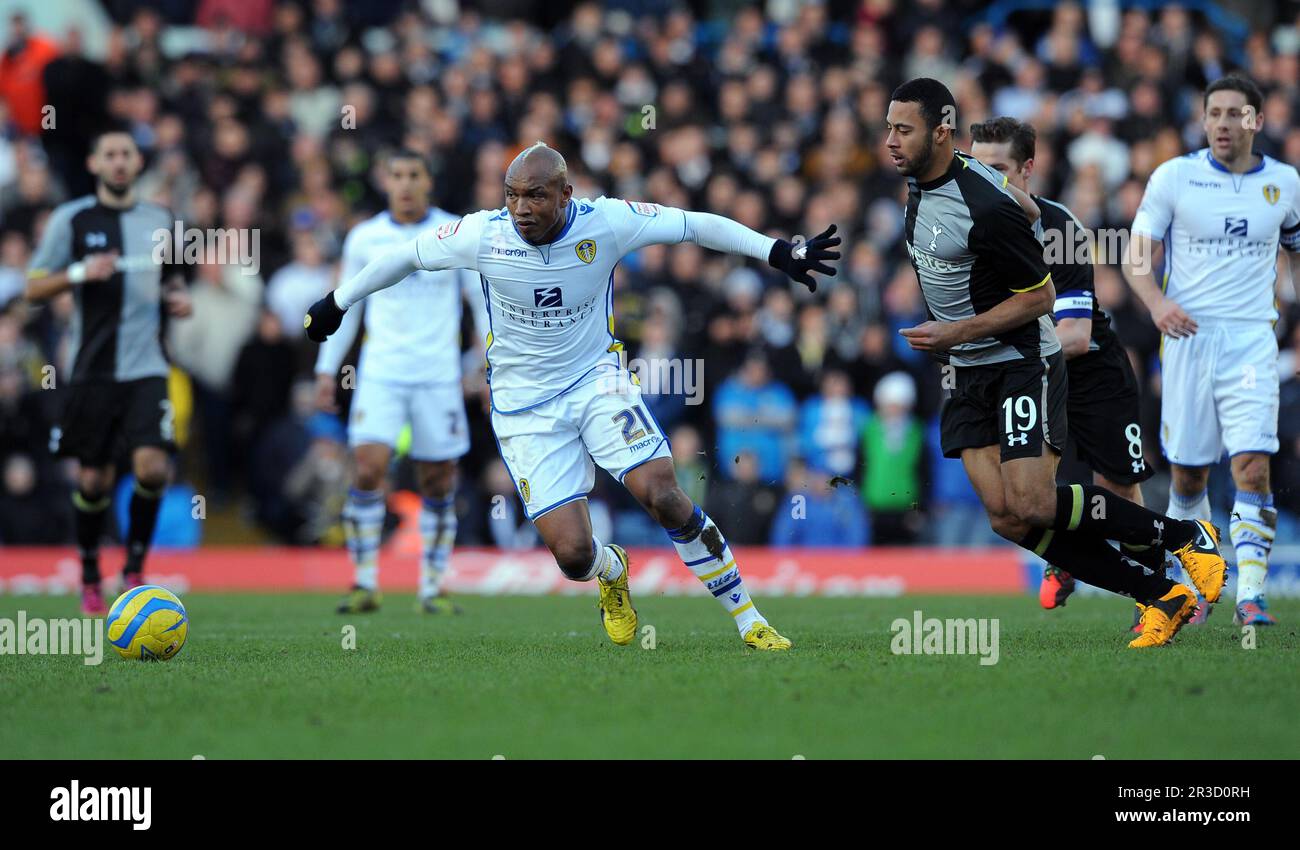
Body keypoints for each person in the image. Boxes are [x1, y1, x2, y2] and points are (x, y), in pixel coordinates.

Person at [306, 142, 839, 650]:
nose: (520, 208)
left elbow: (693, 224)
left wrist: (776, 251)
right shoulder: (482, 234)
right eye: (512, 194)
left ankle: (750, 619)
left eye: (535, 195)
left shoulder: (606, 221)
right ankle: (612, 570)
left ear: (566, 194)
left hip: (596, 384)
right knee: (572, 555)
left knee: (663, 495)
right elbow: (404, 257)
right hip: (523, 408)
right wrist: (338, 301)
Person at [885, 78, 1225, 649]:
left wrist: (957, 330)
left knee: (1043, 500)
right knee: (1006, 516)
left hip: (1027, 361)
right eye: (889, 128)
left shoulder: (996, 210)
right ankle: (1162, 596)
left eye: (903, 129)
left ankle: (1185, 535)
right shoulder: (923, 186)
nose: (890, 141)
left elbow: (1041, 301)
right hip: (968, 371)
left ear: (939, 132)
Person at [970, 116, 1160, 631]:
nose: (985, 182)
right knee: (1031, 493)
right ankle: (1077, 559)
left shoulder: (1060, 230)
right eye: (976, 169)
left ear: (1028, 168)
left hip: (1091, 372)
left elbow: (1074, 336)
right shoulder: (968, 230)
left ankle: (1163, 576)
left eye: (999, 170)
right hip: (1030, 373)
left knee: (1117, 488)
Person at [1123, 75, 1300, 627]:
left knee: (1252, 463)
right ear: (1203, 121)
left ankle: (1251, 592)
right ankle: (1191, 584)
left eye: (1235, 114)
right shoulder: (1176, 177)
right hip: (1187, 340)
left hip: (1251, 340)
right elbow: (1135, 257)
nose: (1223, 124)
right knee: (1189, 477)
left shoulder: (1286, 184)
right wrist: (1156, 305)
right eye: (1214, 114)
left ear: (1257, 122)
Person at [25, 125, 192, 614]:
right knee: (93, 480)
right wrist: (80, 272)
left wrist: (176, 297)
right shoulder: (70, 220)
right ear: (94, 164)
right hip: (93, 370)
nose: (119, 162)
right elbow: (33, 288)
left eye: (127, 154)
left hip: (147, 366)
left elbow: (172, 278)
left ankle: (136, 568)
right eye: (110, 154)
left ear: (138, 164)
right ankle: (91, 571)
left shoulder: (162, 218)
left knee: (153, 466)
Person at [314, 150, 486, 614]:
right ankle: (364, 582)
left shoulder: (456, 232)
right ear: (384, 181)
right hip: (382, 373)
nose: (405, 184)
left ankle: (432, 586)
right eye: (397, 175)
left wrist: (490, 362)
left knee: (438, 479)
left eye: (414, 175)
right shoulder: (364, 238)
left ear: (429, 181)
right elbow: (345, 308)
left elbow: (481, 302)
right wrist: (326, 369)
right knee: (368, 468)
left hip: (438, 377)